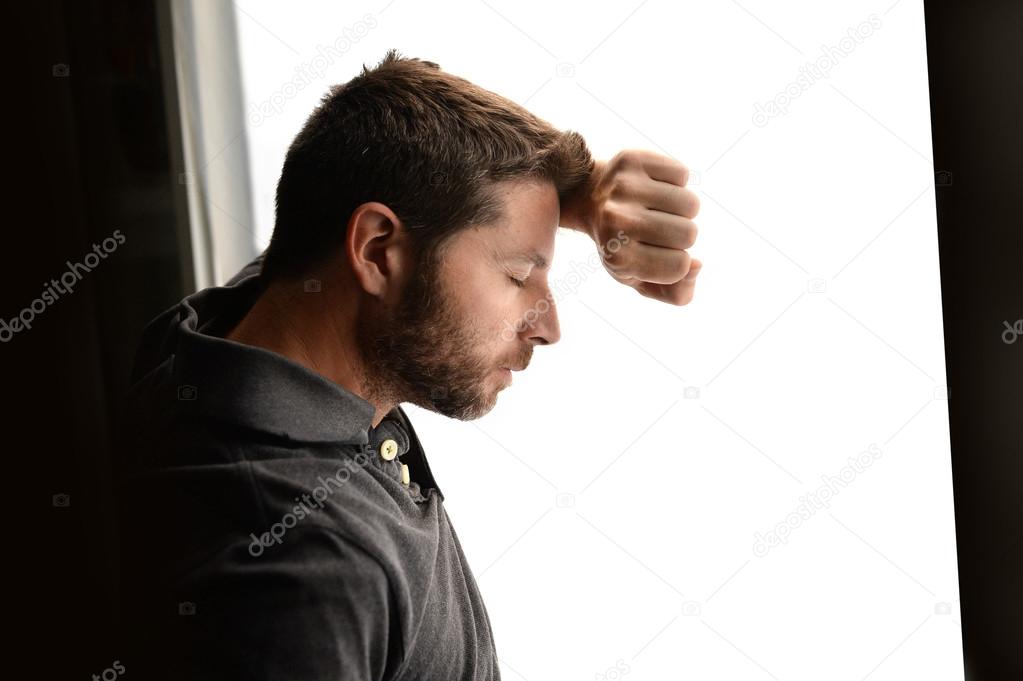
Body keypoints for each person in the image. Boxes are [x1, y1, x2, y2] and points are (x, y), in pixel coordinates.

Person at [113, 48, 701, 680]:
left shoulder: (225, 332)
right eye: (518, 275)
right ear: (378, 249)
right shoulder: (303, 574)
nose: (549, 327)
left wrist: (580, 190)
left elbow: (392, 120)